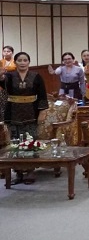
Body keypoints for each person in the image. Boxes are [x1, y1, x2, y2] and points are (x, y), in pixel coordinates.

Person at [0, 52, 48, 184]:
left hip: (31, 111)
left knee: (30, 141)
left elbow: (42, 96)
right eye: (19, 60)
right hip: (13, 111)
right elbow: (2, 82)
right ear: (15, 62)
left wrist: (42, 112)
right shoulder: (9, 76)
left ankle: (30, 170)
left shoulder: (36, 76)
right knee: (15, 142)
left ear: (29, 62)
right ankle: (18, 172)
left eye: (25, 60)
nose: (22, 62)